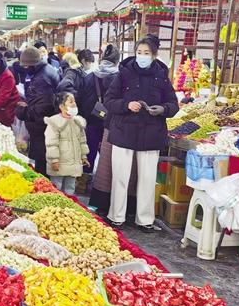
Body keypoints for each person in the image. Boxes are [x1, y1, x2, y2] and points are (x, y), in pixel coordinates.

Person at [105, 35, 178, 232]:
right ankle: (116, 216)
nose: (142, 56)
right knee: (120, 176)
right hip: (124, 131)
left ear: (154, 55)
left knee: (147, 178)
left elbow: (173, 104)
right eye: (139, 52)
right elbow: (109, 100)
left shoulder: (161, 76)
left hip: (151, 133)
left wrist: (162, 109)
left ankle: (144, 220)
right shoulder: (124, 73)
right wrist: (126, 105)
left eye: (146, 53)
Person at [15, 46, 59, 175]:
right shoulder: (45, 69)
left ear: (32, 65)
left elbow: (43, 108)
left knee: (42, 165)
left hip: (42, 127)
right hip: (44, 125)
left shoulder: (41, 79)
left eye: (25, 66)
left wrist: (22, 111)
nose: (24, 68)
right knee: (42, 161)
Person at [81, 45, 120, 189]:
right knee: (108, 156)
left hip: (92, 121)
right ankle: (106, 186)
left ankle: (83, 183)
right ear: (116, 61)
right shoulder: (120, 79)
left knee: (89, 152)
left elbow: (82, 100)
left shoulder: (90, 77)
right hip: (111, 124)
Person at [44, 92, 89, 195]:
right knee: (56, 188)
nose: (74, 104)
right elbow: (51, 143)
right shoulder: (54, 122)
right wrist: (54, 160)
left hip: (73, 164)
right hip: (59, 164)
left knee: (70, 188)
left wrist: (84, 156)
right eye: (71, 101)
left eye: (74, 101)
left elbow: (82, 141)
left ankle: (69, 204)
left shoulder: (78, 122)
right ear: (61, 106)